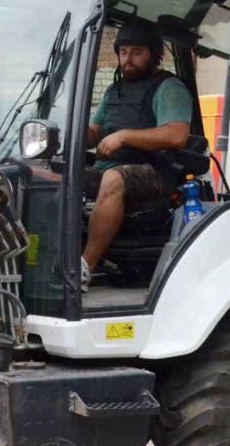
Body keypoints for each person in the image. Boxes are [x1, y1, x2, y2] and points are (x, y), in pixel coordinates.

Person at [80, 19, 195, 288]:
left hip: (155, 172)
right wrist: (69, 132)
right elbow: (96, 131)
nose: (127, 59)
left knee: (113, 179)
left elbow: (177, 134)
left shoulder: (168, 88)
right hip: (109, 167)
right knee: (48, 176)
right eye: (123, 52)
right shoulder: (114, 91)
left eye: (136, 52)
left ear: (154, 55)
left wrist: (124, 136)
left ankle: (84, 267)